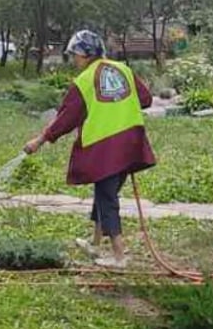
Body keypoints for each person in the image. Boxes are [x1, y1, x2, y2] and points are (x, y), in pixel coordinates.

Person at [23, 30, 155, 269]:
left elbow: (65, 119)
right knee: (104, 190)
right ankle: (95, 243)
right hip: (131, 143)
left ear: (85, 54)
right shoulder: (122, 70)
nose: (74, 59)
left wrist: (40, 140)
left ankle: (118, 256)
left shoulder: (84, 81)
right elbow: (145, 99)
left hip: (105, 146)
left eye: (75, 54)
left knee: (107, 196)